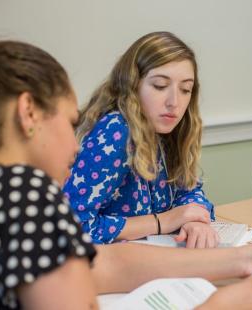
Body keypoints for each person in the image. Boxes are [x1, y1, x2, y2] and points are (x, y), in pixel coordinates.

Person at [0, 39, 252, 310]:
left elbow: (107, 263)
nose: (76, 147)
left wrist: (239, 258)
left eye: (186, 90)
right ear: (28, 112)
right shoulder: (22, 191)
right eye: (71, 122)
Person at [63, 32, 217, 248]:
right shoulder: (116, 131)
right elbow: (72, 226)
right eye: (160, 86)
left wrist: (194, 220)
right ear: (132, 85)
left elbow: (189, 190)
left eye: (185, 90)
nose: (174, 102)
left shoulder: (169, 128)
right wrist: (164, 221)